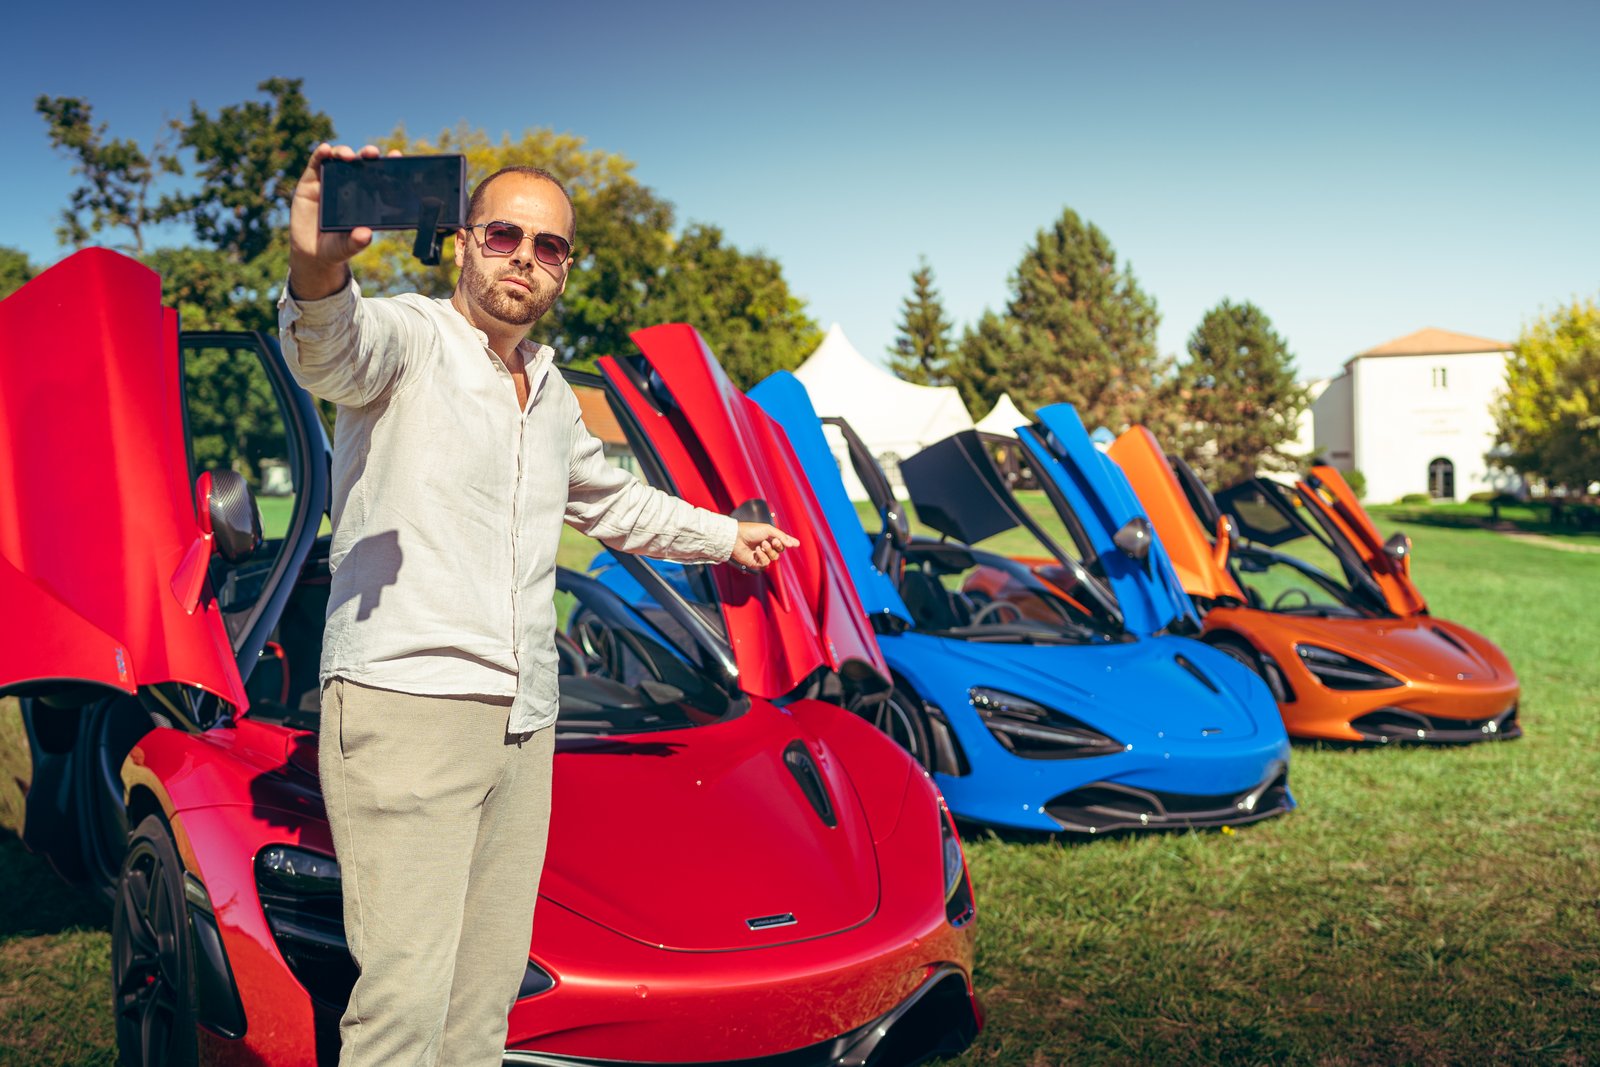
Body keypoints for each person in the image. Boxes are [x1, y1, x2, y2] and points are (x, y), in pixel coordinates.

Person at [278, 142, 798, 1067]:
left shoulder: (553, 390)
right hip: (408, 708)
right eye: (503, 234)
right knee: (403, 1008)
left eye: (548, 245)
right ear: (462, 242)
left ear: (564, 267)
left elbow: (615, 503)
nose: (524, 256)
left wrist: (727, 536)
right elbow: (330, 344)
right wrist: (318, 266)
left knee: (482, 1006)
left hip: (525, 720)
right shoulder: (409, 337)